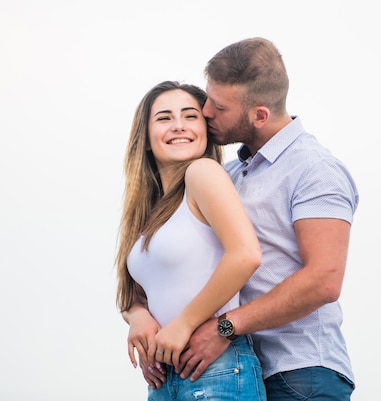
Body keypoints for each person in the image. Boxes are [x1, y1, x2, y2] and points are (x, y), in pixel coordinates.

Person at [131, 38, 360, 401]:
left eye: (218, 107)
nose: (205, 112)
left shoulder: (314, 170)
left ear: (260, 115)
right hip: (231, 364)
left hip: (299, 372)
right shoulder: (231, 173)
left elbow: (324, 281)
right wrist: (138, 311)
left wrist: (224, 327)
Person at [115, 80, 267, 400]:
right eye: (164, 118)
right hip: (165, 377)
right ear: (145, 137)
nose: (179, 126)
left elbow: (246, 254)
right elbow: (136, 292)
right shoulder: (148, 209)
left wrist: (184, 324)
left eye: (190, 116)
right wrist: (137, 315)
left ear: (205, 129)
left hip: (215, 368)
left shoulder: (203, 172)